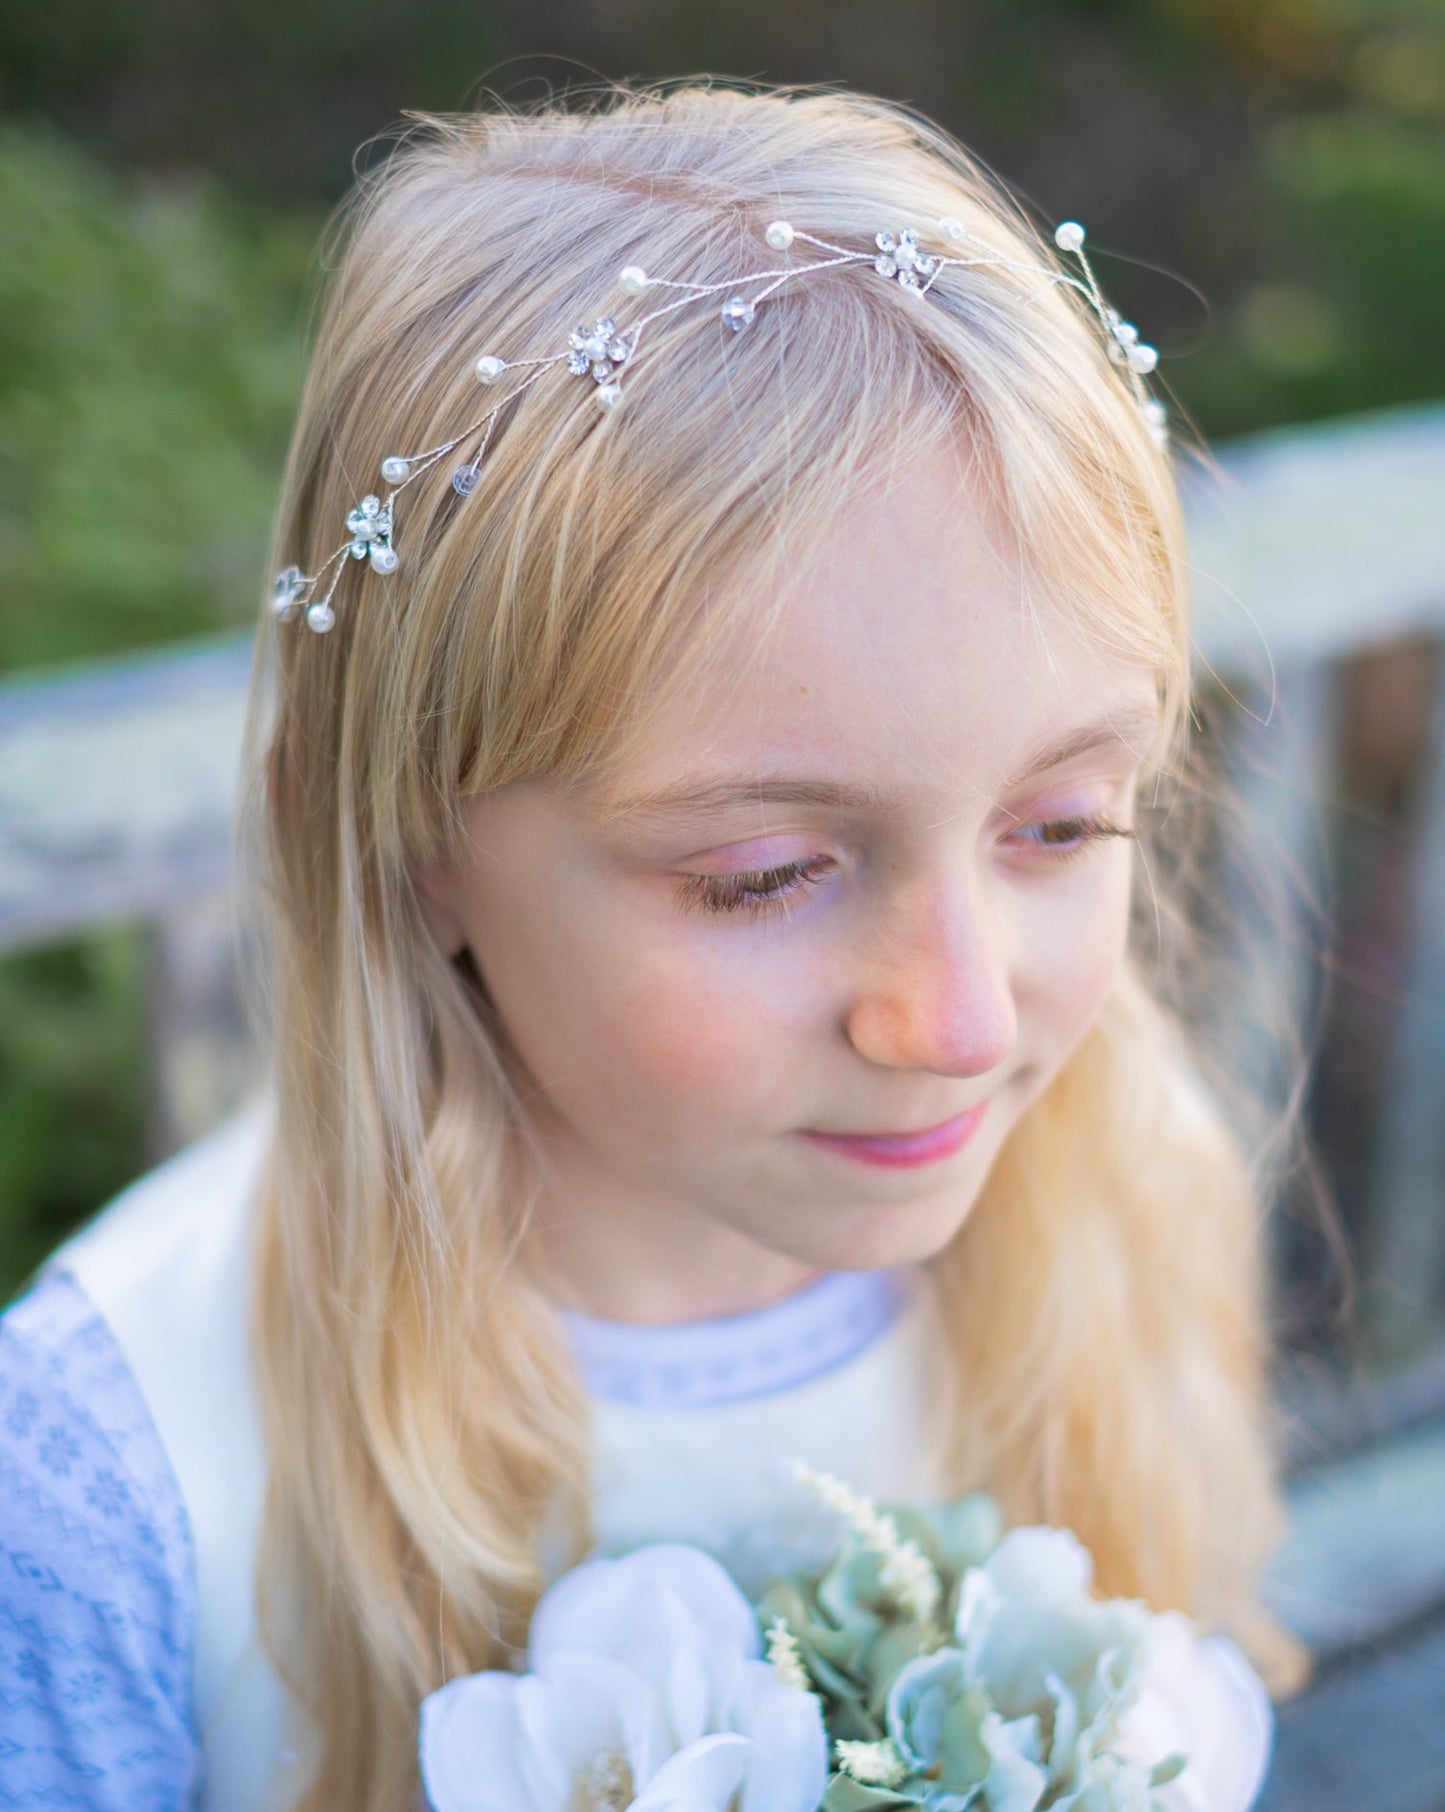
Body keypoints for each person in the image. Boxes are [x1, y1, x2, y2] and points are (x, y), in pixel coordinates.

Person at [0, 82, 1303, 1812]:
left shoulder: (1121, 1204)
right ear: (404, 842)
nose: (961, 1019)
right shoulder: (114, 1482)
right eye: (764, 875)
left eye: (1061, 827)